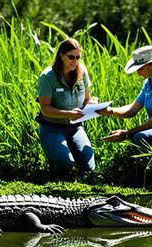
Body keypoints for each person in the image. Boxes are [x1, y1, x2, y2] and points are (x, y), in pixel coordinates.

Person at [36, 38, 98, 179]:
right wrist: (68, 114)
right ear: (61, 55)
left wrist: (93, 104)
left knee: (89, 169)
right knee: (66, 163)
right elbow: (45, 108)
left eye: (78, 57)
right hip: (52, 128)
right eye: (71, 57)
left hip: (75, 127)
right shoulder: (47, 76)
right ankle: (54, 179)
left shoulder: (82, 72)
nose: (75, 61)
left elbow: (87, 99)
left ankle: (80, 188)